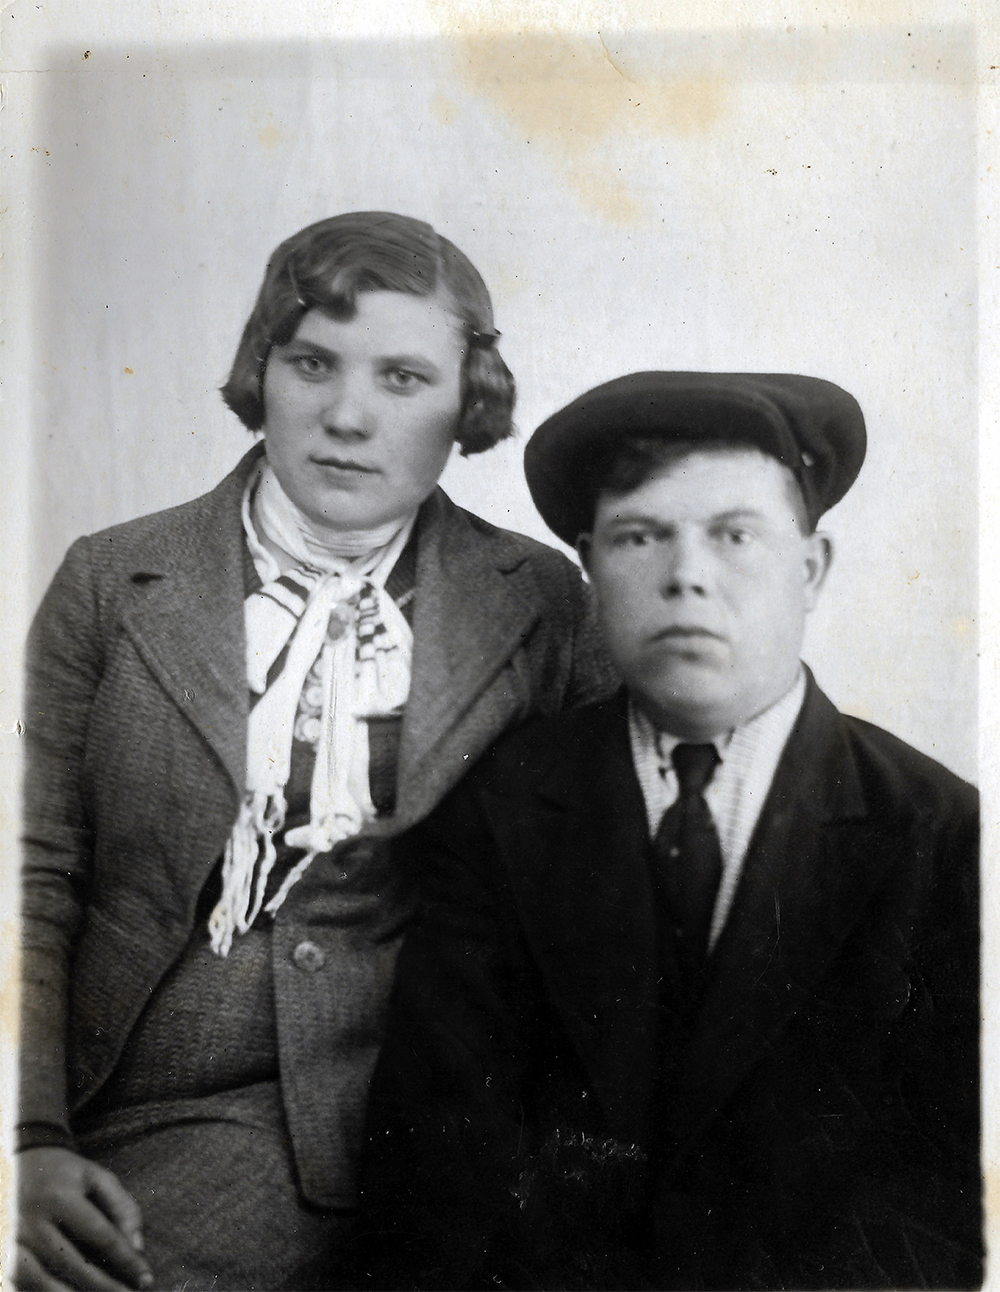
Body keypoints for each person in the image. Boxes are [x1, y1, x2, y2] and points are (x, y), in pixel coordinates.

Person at [16, 211, 616, 1292]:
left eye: (403, 378)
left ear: (468, 402)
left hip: (367, 1111)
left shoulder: (541, 602)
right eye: (311, 363)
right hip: (104, 1088)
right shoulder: (111, 580)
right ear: (263, 370)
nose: (346, 415)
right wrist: (28, 1137)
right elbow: (34, 874)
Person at [359, 372, 982, 1290]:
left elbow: (933, 1208)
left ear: (811, 569)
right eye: (641, 536)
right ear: (589, 567)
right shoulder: (502, 805)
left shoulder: (939, 832)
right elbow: (434, 1170)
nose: (686, 575)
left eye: (735, 535)